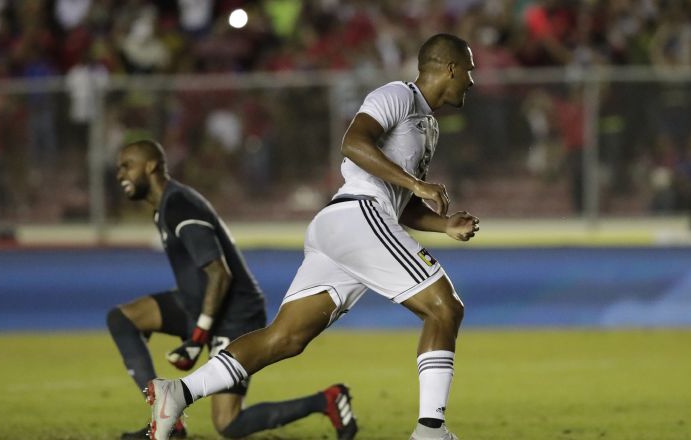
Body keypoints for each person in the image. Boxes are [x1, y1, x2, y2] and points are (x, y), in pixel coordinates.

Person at [146, 33, 480, 440]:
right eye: (469, 70)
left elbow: (400, 202)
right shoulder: (398, 95)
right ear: (449, 67)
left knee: (284, 338)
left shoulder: (427, 125)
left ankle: (178, 393)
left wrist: (443, 224)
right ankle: (431, 431)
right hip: (358, 217)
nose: (472, 80)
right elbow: (353, 142)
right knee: (445, 307)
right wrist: (419, 184)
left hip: (349, 226)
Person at [109, 139, 357, 439]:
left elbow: (220, 274)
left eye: (127, 165)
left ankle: (327, 400)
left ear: (150, 166)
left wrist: (198, 337)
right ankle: (168, 418)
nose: (120, 173)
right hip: (197, 302)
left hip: (233, 311)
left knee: (228, 424)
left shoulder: (179, 205)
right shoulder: (165, 206)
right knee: (122, 318)